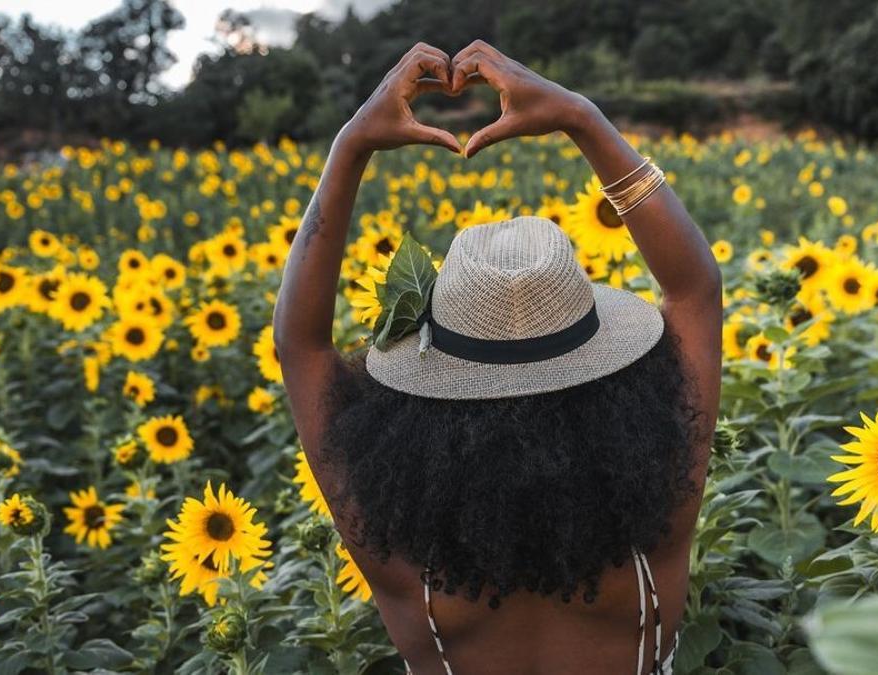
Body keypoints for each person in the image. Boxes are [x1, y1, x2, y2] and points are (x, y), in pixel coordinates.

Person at [273, 40, 722, 675]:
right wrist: (582, 118)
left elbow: (300, 345)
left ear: (431, 394)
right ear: (609, 376)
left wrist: (350, 147)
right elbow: (696, 290)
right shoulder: (660, 510)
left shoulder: (402, 561)